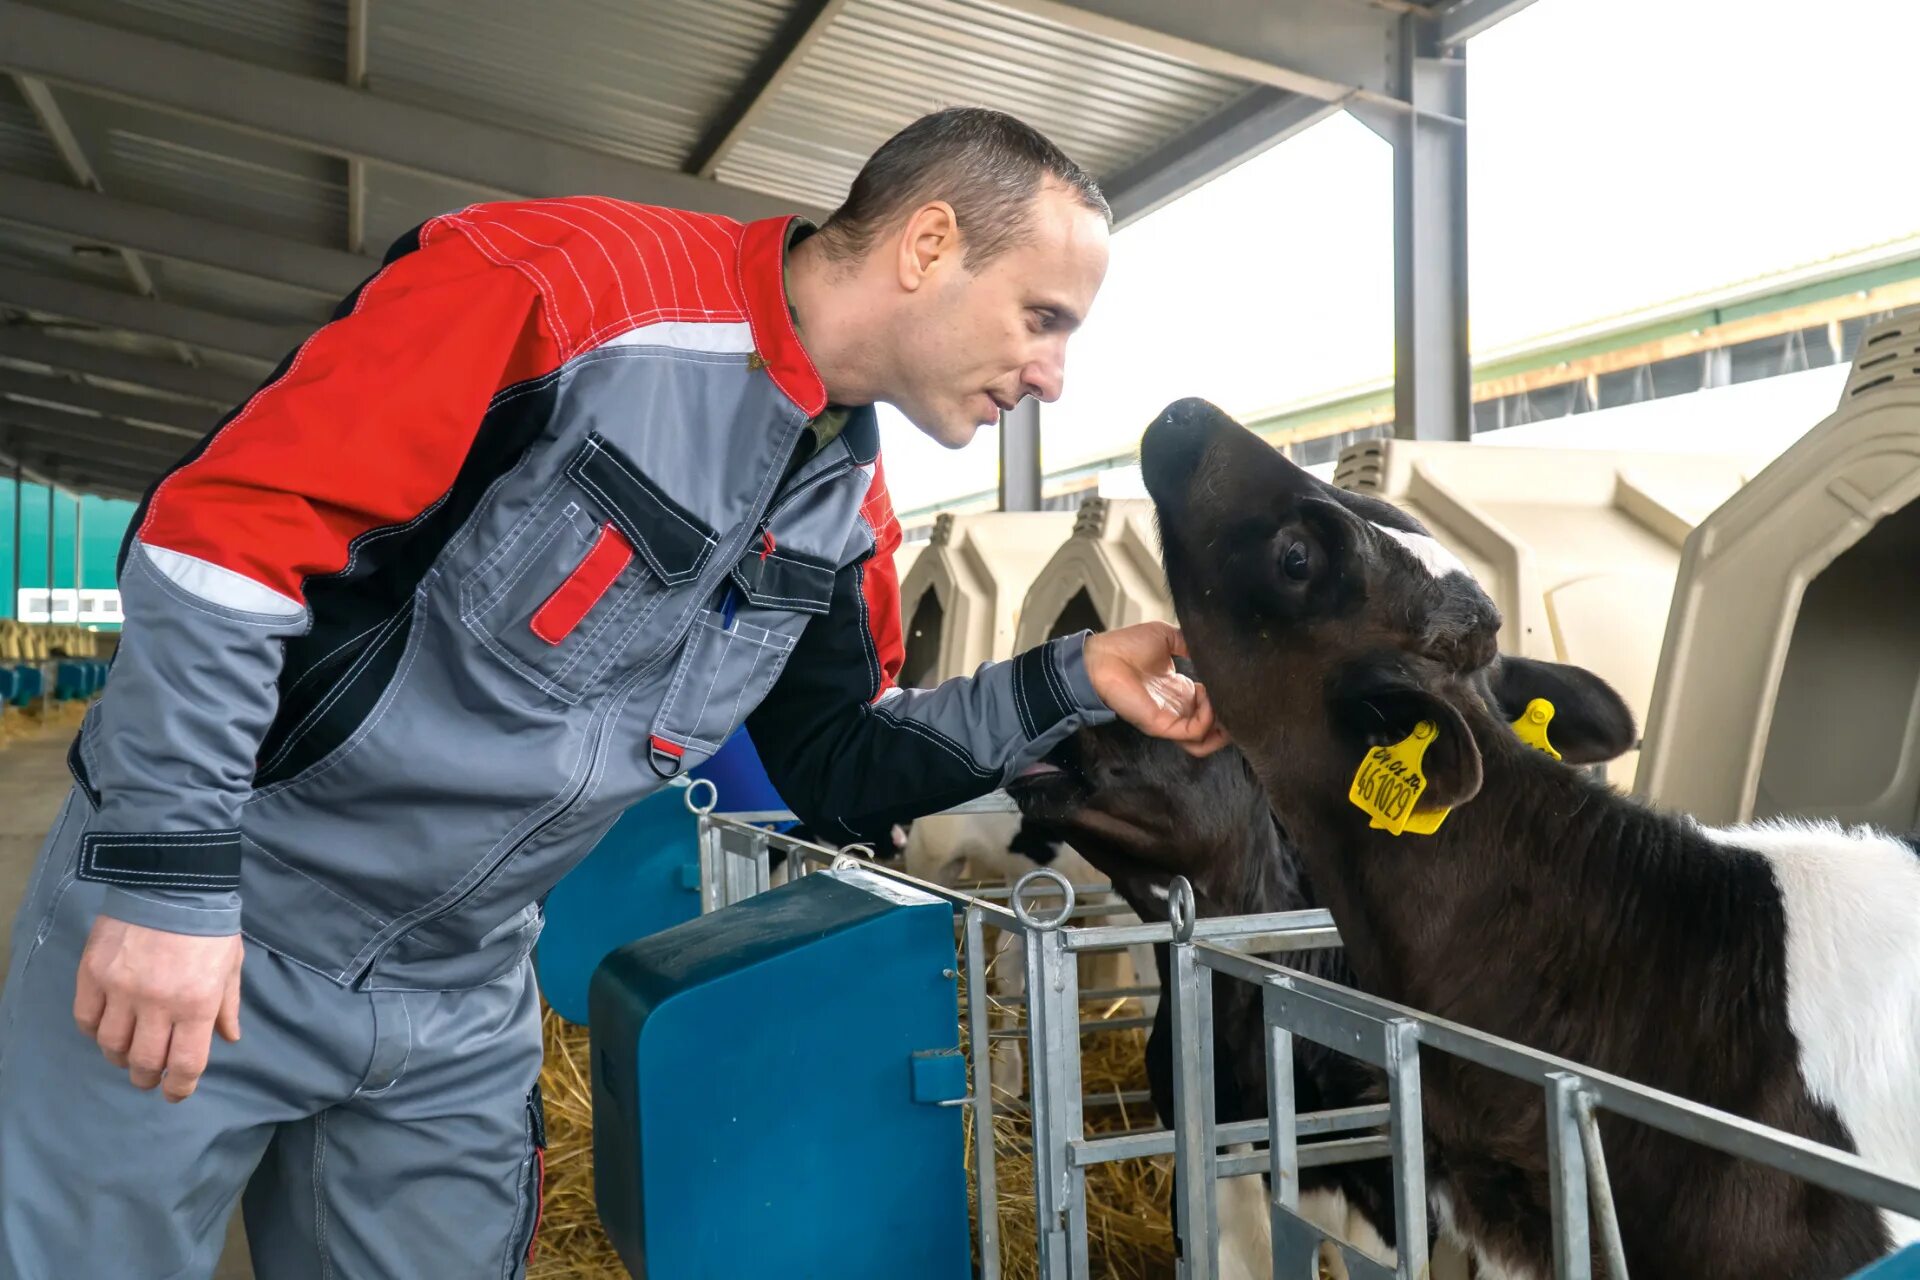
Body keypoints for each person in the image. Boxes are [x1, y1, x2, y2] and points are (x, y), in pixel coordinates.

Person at [0, 107, 1224, 1278]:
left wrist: (1070, 676)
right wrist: (169, 874)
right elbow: (220, 539)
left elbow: (839, 761)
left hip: (461, 992)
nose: (1056, 374)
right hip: (227, 919)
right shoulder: (565, 293)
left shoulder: (846, 509)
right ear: (930, 243)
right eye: (1044, 317)